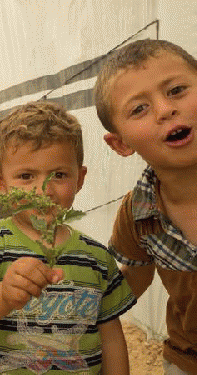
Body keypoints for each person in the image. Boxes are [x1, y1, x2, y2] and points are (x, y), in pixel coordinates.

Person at [0, 101, 137, 374]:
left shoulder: (96, 257)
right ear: (0, 183)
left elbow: (110, 336)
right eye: (26, 176)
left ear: (80, 178)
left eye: (59, 175)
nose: (43, 190)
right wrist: (3, 295)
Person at [94, 39, 197, 375]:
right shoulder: (138, 213)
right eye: (139, 108)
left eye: (177, 90)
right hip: (186, 358)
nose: (165, 109)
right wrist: (84, 305)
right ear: (121, 143)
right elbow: (135, 277)